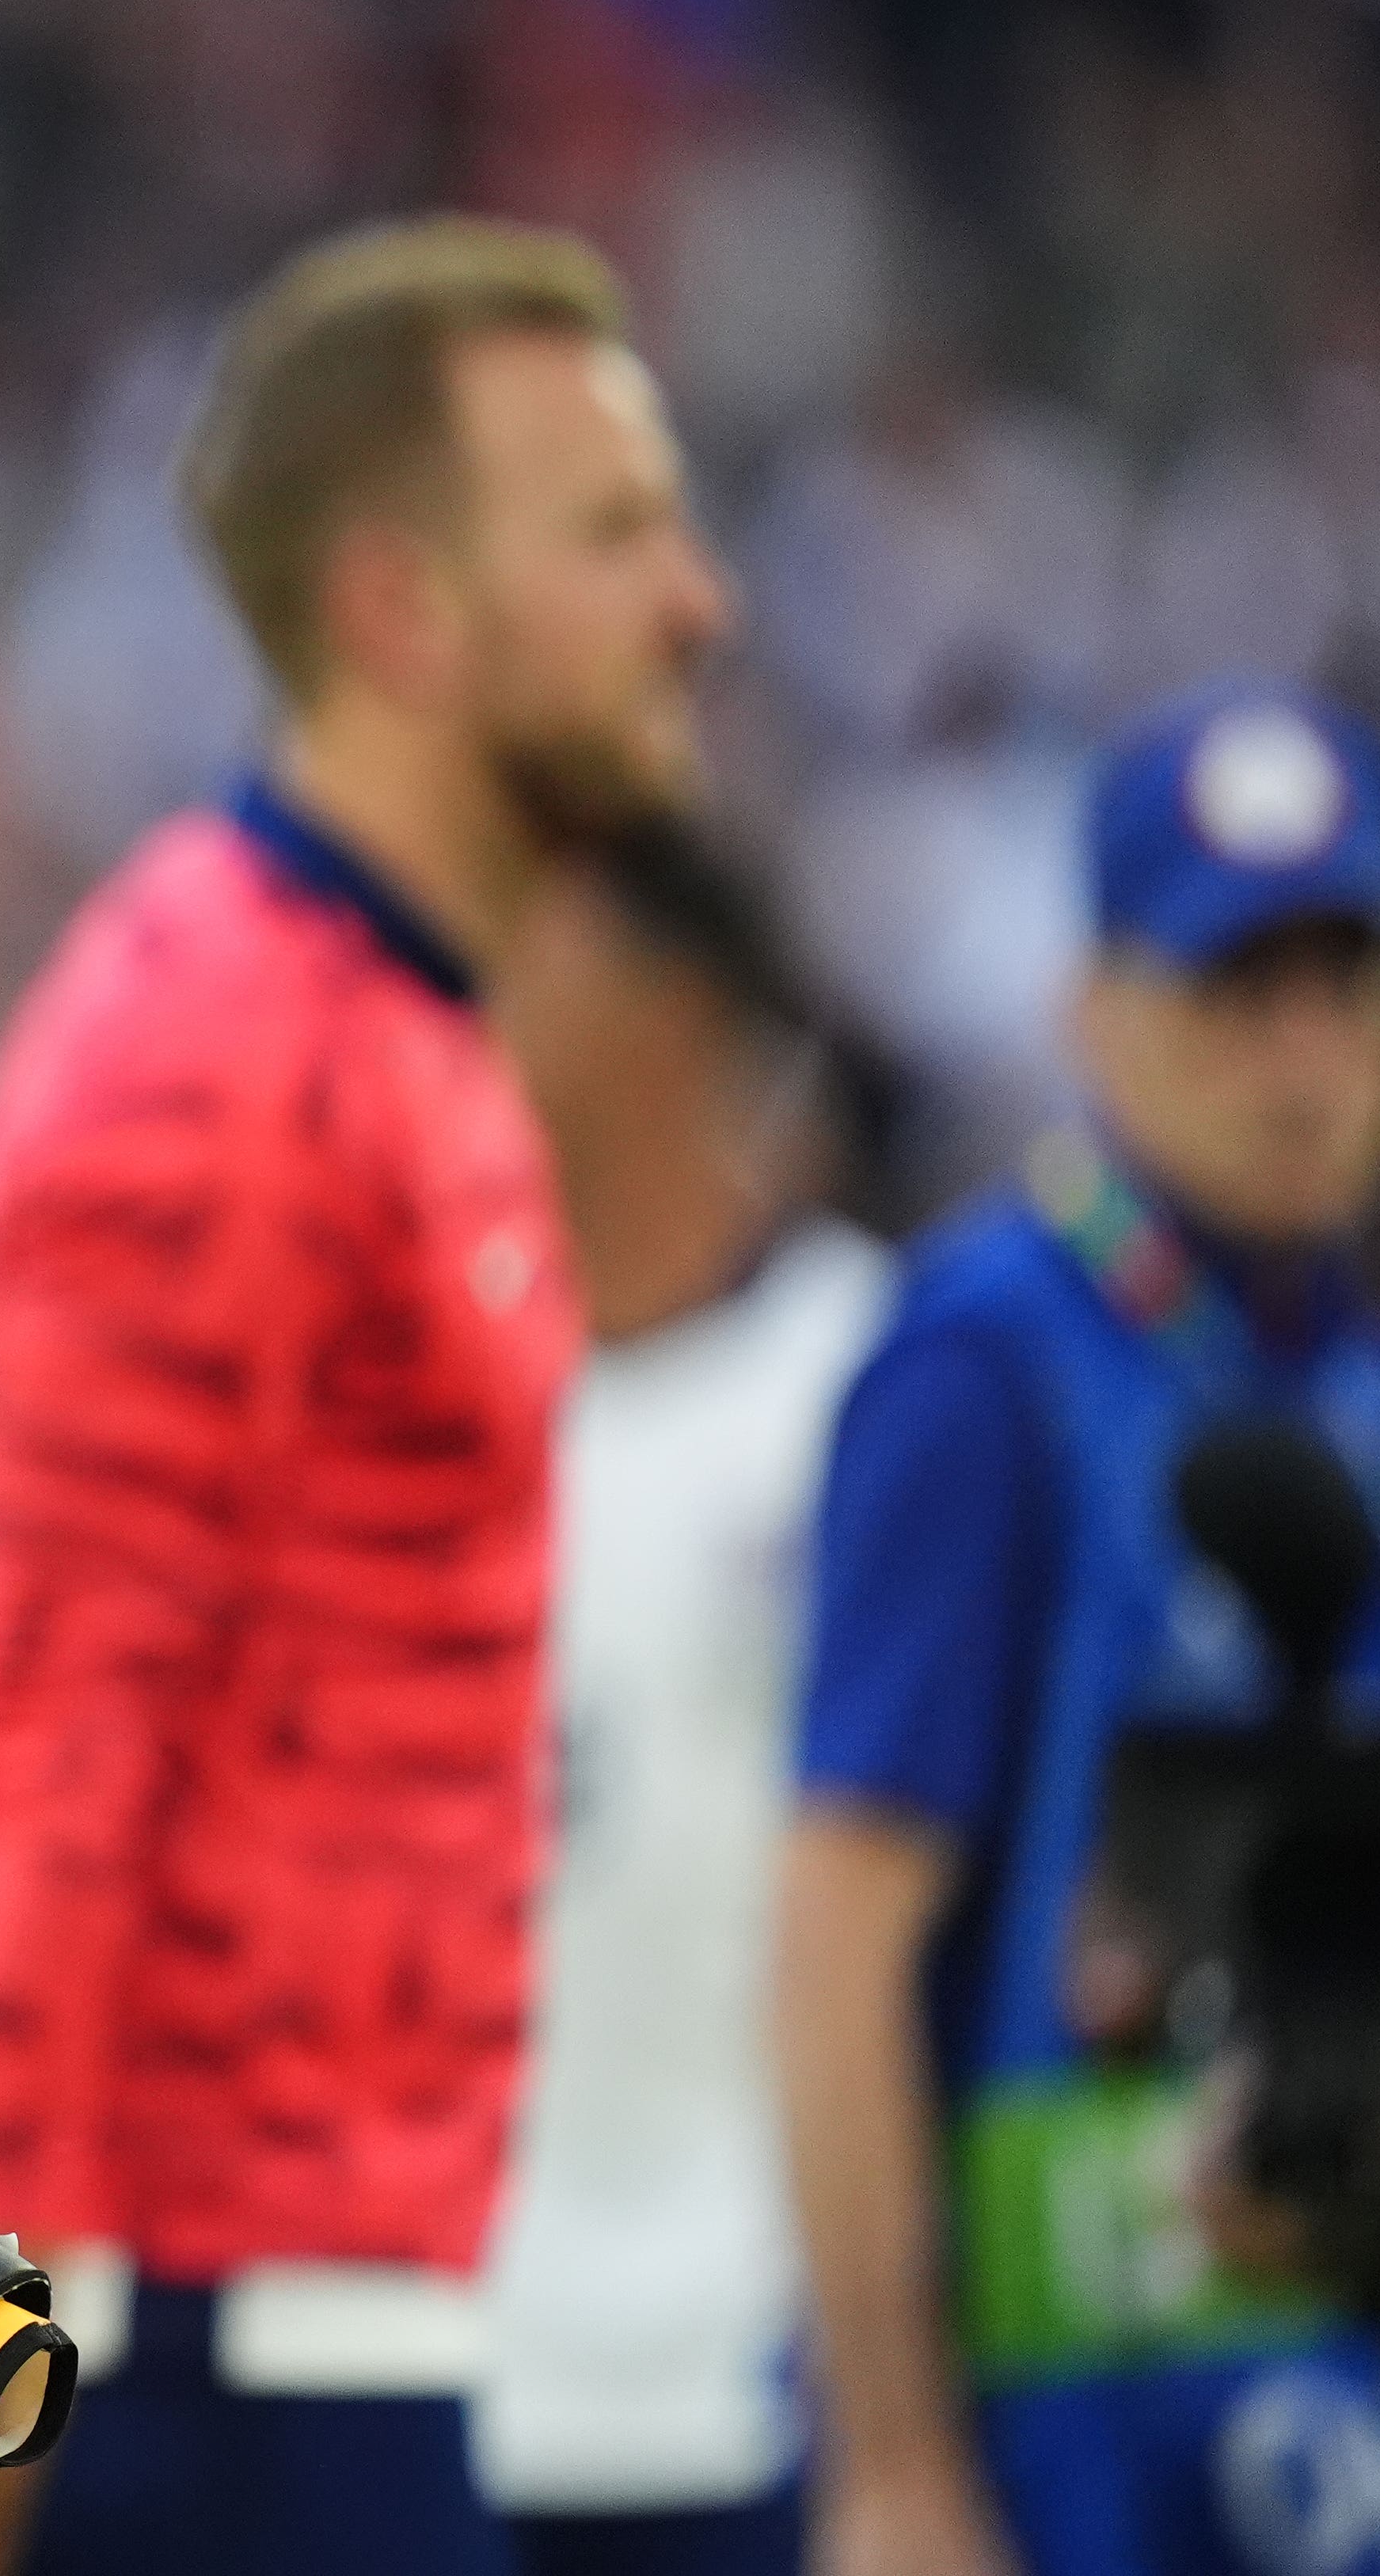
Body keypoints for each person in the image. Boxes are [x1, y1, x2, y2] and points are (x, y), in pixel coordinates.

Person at [0, 213, 730, 2576]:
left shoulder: (394, 1027)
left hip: (357, 2318)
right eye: (607, 533)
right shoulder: (208, 1054)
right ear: (400, 608)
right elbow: (49, 1749)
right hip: (211, 2368)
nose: (691, 600)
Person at [781, 682, 1380, 2576]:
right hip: (1082, 2428)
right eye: (1236, 992)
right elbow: (839, 1940)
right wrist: (892, 2467)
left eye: (1345, 984)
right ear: (1094, 1013)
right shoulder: (986, 1367)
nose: (1303, 1057)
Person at [476, 827, 891, 2576]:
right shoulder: (377, 1422)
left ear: (672, 998)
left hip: (766, 2385)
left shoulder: (869, 1382)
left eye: (518, 929)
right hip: (462, 2383)